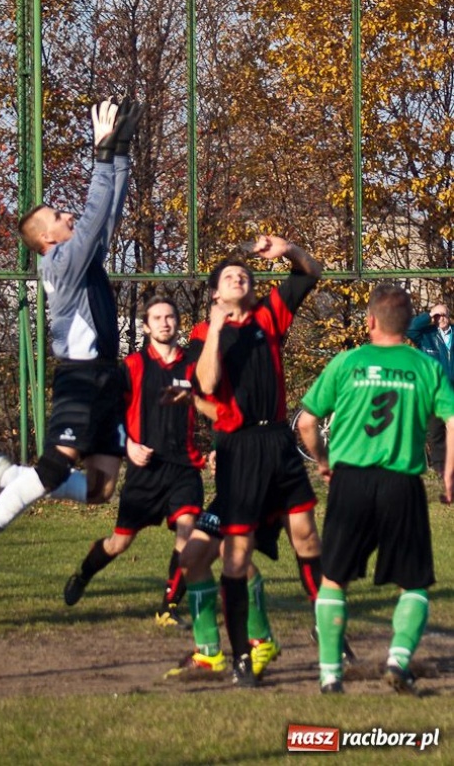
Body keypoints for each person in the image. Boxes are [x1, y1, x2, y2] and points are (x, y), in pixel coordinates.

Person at [0, 96, 143, 589]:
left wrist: (119, 153)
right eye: (57, 214)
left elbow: (107, 217)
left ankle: (9, 476)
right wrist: (101, 155)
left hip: (104, 377)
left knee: (99, 489)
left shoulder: (74, 256)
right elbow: (97, 215)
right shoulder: (60, 262)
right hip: (80, 378)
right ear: (47, 238)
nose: (67, 214)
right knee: (55, 468)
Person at [165, 236, 323, 687]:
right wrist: (216, 329)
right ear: (215, 292)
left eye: (246, 275)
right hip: (237, 453)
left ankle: (327, 628)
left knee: (304, 536)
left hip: (274, 442)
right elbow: (208, 387)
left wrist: (290, 249)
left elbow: (311, 271)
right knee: (198, 557)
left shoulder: (269, 314)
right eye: (230, 276)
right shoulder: (200, 334)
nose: (240, 277)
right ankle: (220, 652)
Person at [298, 283, 454, 695]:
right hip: (402, 484)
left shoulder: (346, 362)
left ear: (369, 321)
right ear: (407, 325)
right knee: (414, 583)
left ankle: (331, 675)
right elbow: (453, 418)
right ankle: (398, 661)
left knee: (334, 579)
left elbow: (306, 422)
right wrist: (450, 471)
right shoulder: (426, 367)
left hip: (351, 481)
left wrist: (325, 462)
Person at [62, 295, 207, 627]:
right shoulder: (132, 367)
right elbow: (111, 414)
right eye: (157, 318)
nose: (164, 323)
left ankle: (168, 609)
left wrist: (215, 446)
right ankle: (84, 573)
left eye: (170, 317)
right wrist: (129, 446)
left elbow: (211, 406)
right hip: (145, 470)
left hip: (184, 467)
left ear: (178, 323)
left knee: (188, 531)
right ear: (146, 326)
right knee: (119, 543)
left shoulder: (193, 366)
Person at [406, 302, 454, 477]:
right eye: (438, 316)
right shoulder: (426, 336)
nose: (441, 319)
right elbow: (409, 329)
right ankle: (441, 469)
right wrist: (429, 314)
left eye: (444, 315)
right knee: (435, 431)